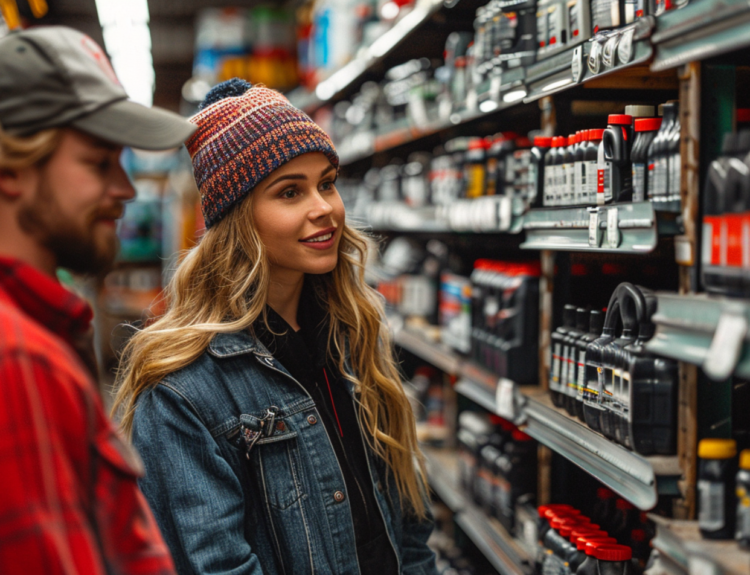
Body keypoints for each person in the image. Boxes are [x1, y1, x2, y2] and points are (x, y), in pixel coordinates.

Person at [113, 79, 438, 575]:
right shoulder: (184, 389)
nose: (324, 208)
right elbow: (218, 566)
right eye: (290, 191)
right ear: (239, 216)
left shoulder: (353, 335)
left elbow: (408, 526)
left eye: (326, 182)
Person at [0, 26, 196, 574]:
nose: (126, 188)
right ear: (13, 167)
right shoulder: (18, 358)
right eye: (96, 163)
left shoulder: (42, 336)